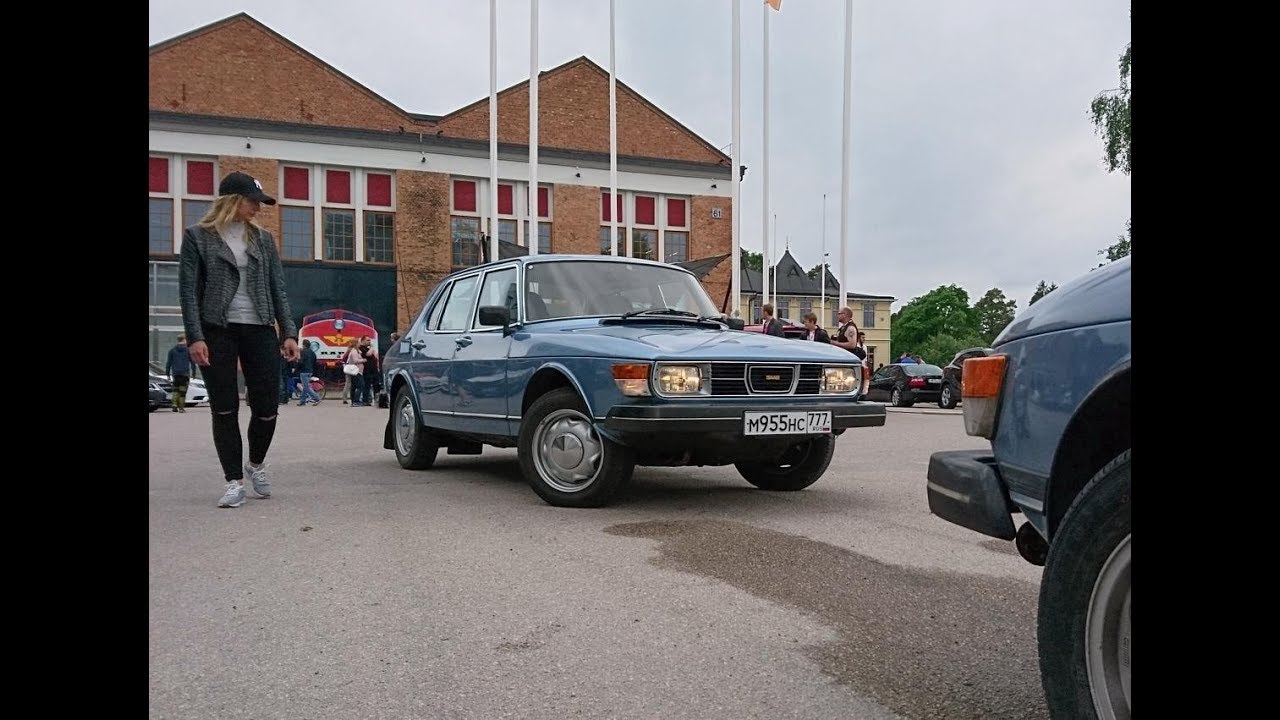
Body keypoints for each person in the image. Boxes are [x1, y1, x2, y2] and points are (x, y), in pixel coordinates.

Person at [179, 171, 299, 509]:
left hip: (259, 326)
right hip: (217, 328)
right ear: (232, 200)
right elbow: (188, 292)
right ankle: (233, 481)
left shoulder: (263, 239)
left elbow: (279, 288)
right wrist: (195, 336)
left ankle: (256, 464)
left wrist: (288, 331)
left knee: (267, 406)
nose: (258, 208)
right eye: (253, 201)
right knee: (224, 407)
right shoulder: (198, 237)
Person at [165, 334, 193, 413]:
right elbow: (192, 362)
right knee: (183, 391)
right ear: (184, 340)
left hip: (175, 374)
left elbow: (168, 363)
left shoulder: (172, 350)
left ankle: (174, 404)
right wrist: (193, 372)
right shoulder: (188, 350)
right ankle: (181, 408)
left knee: (175, 390)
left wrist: (167, 374)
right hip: (185, 373)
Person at [297, 339, 321, 406]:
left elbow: (300, 362)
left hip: (304, 371)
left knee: (306, 387)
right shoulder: (312, 352)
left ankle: (317, 398)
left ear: (303, 345)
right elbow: (315, 362)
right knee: (305, 386)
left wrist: (297, 368)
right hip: (310, 371)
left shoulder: (303, 352)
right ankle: (302, 401)